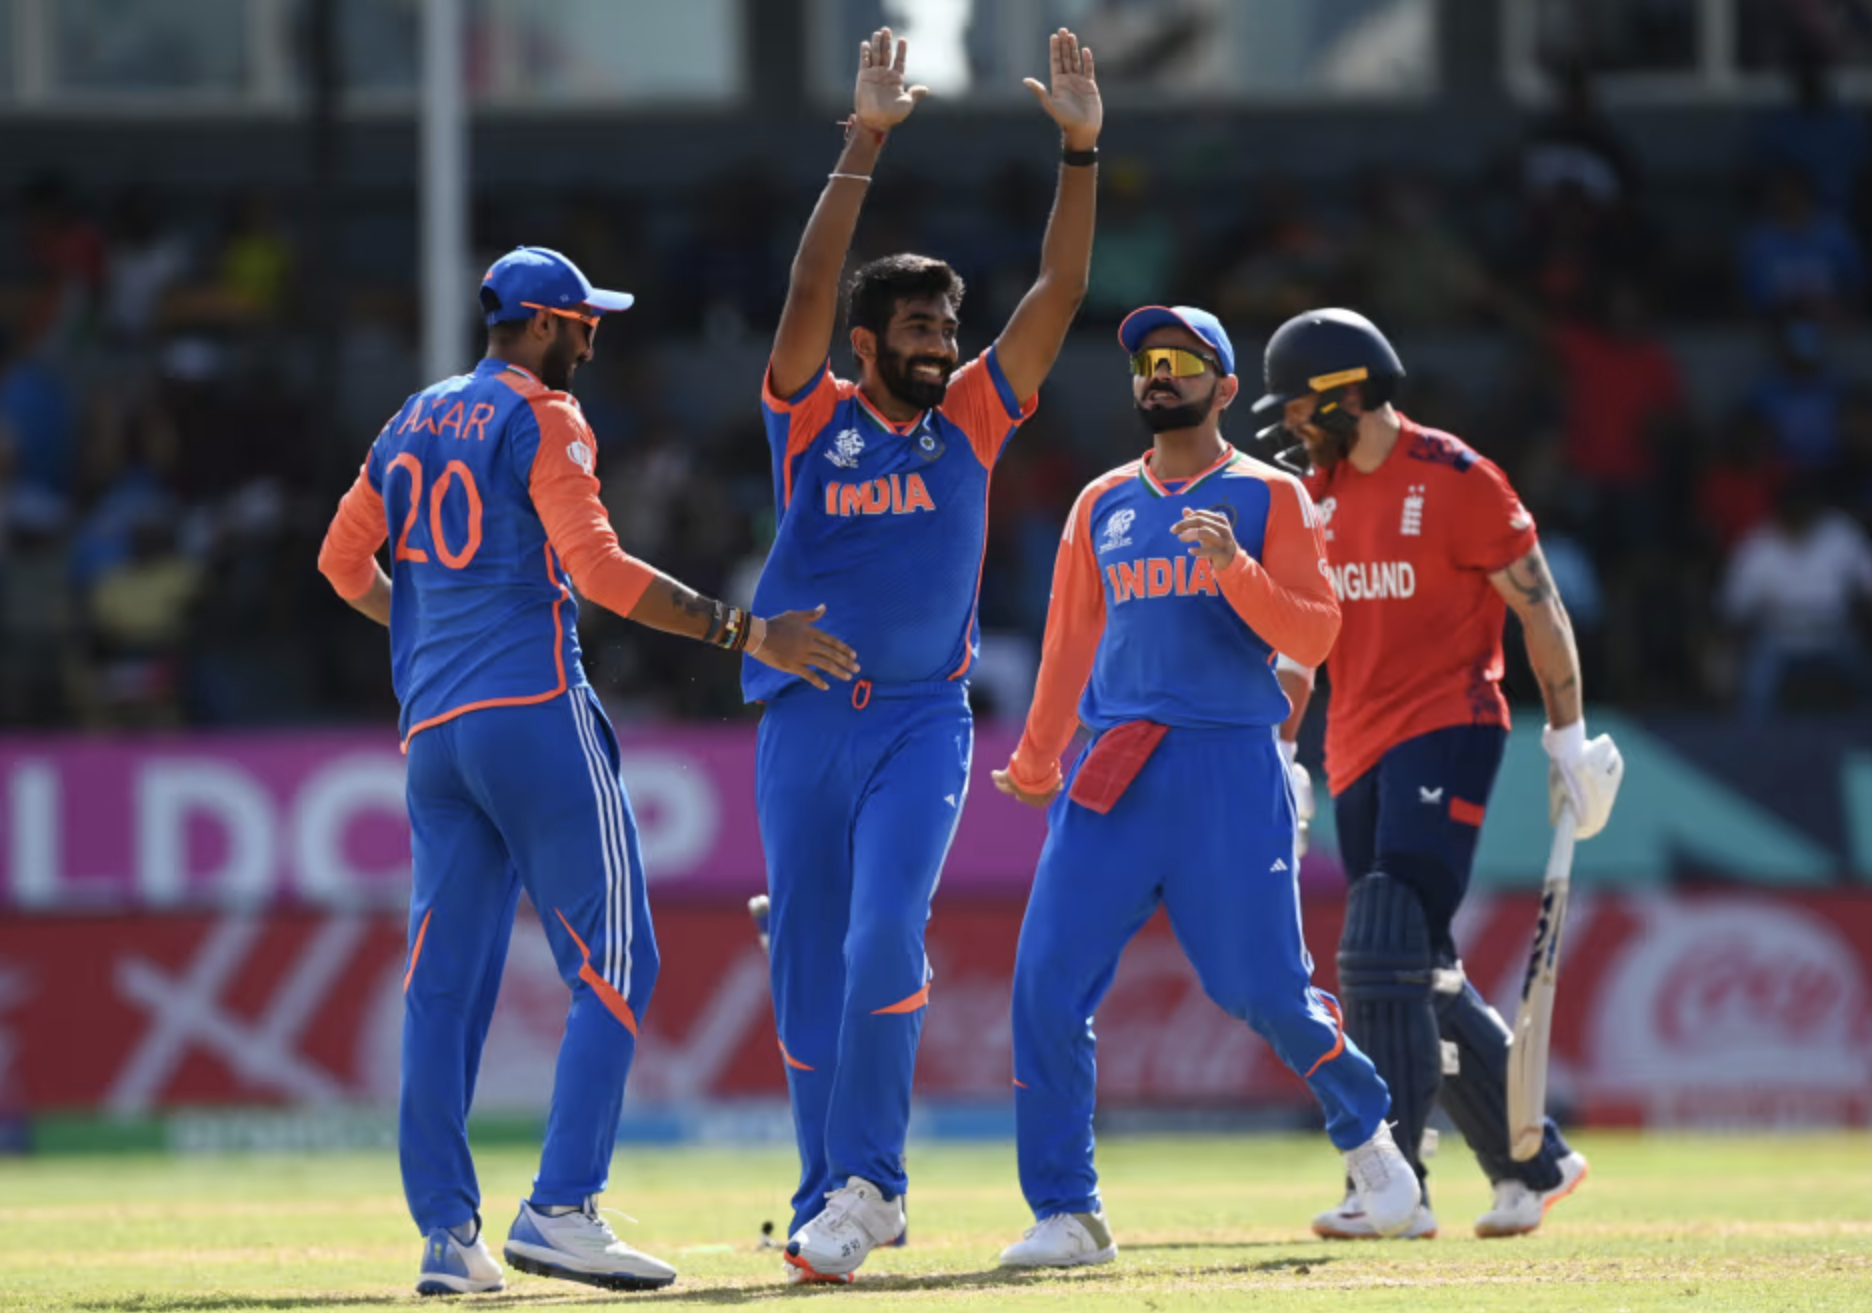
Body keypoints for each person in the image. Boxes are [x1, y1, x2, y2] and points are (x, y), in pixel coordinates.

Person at [317, 246, 855, 1296]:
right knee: (618, 961)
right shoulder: (544, 414)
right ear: (542, 325)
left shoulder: (411, 418)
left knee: (442, 985)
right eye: (583, 324)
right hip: (532, 713)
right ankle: (562, 1207)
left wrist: (432, 631)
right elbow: (599, 572)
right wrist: (752, 633)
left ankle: (448, 1237)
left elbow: (343, 564)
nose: (592, 342)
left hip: (435, 734)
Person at [751, 26, 1101, 1284]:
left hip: (920, 718)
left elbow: (1059, 291)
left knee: (883, 933)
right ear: (866, 343)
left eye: (948, 322)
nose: (942, 341)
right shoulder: (810, 415)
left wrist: (1080, 151)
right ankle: (822, 1193)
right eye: (916, 325)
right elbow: (808, 290)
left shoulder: (976, 416)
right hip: (802, 712)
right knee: (805, 964)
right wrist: (864, 140)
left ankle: (873, 1184)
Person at [989, 305, 1421, 1268]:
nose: (1159, 374)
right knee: (1046, 983)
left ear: (1225, 387)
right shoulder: (1102, 501)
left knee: (1259, 987)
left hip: (1229, 764)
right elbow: (1069, 640)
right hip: (1114, 769)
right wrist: (1039, 756)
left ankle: (1372, 1144)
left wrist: (1233, 567)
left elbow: (1315, 634)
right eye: (1147, 361)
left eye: (1181, 362)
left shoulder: (1271, 495)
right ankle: (1067, 1211)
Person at [1252, 308, 1623, 1240]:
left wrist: (1569, 736)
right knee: (1417, 964)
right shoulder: (1315, 495)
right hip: (1355, 744)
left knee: (1384, 938)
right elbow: (1300, 641)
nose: (1290, 427)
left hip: (1450, 724)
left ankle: (1397, 1183)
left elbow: (1540, 607)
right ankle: (1533, 1159)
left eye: (1296, 407)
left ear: (1345, 393)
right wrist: (1282, 750)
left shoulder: (1458, 478)